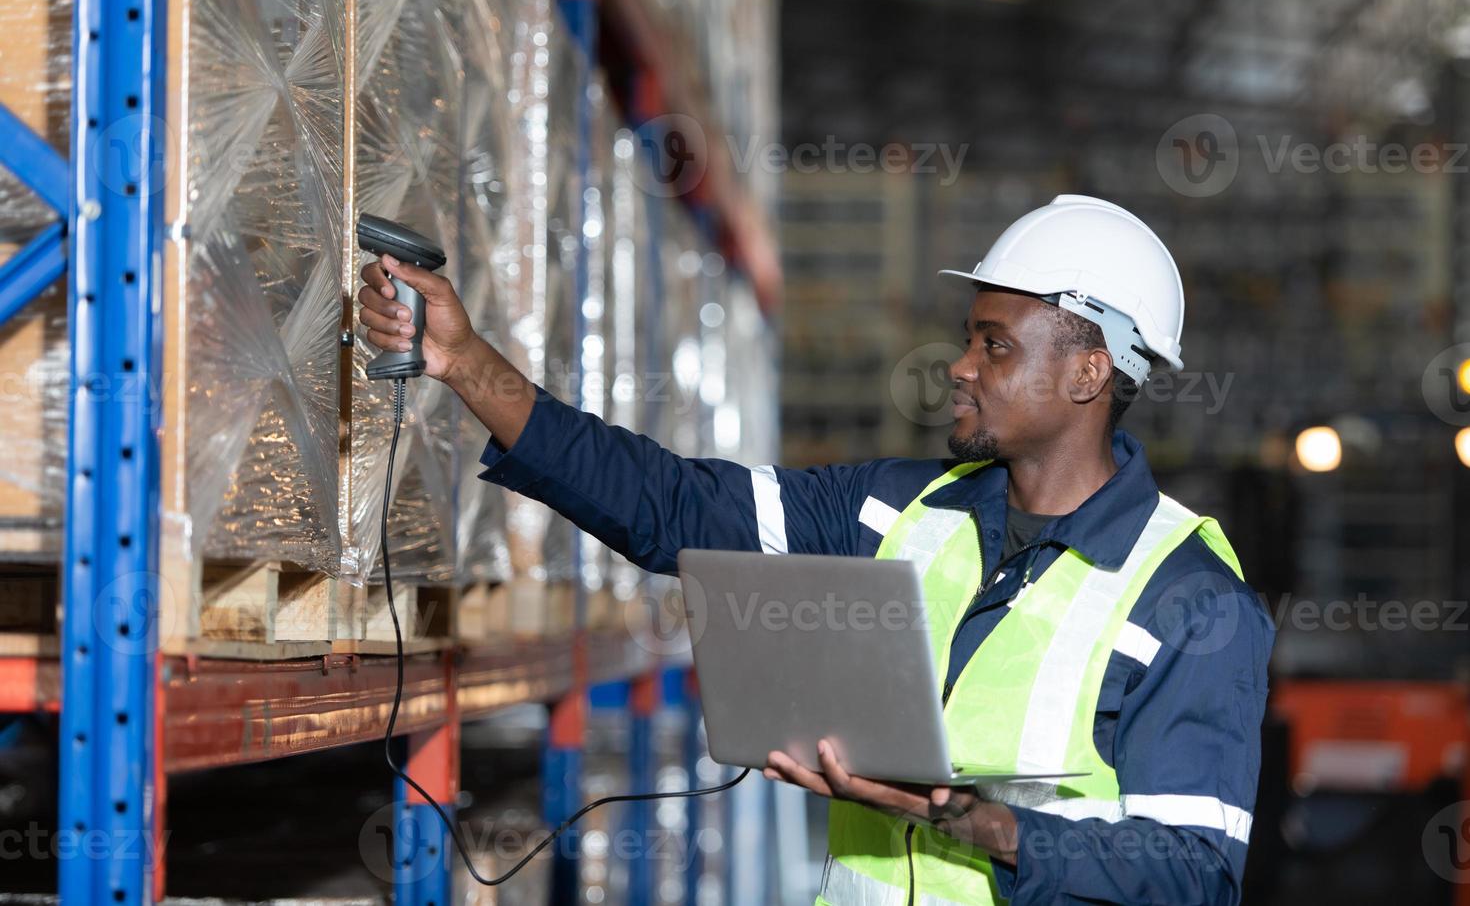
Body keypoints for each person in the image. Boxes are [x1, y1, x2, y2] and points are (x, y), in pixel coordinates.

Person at [356, 195, 1274, 905]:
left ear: (1089, 373)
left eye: (996, 347)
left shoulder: (1187, 597)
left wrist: (973, 821)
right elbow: (675, 504)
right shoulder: (897, 511)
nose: (960, 366)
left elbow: (1193, 872)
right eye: (969, 339)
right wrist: (464, 360)